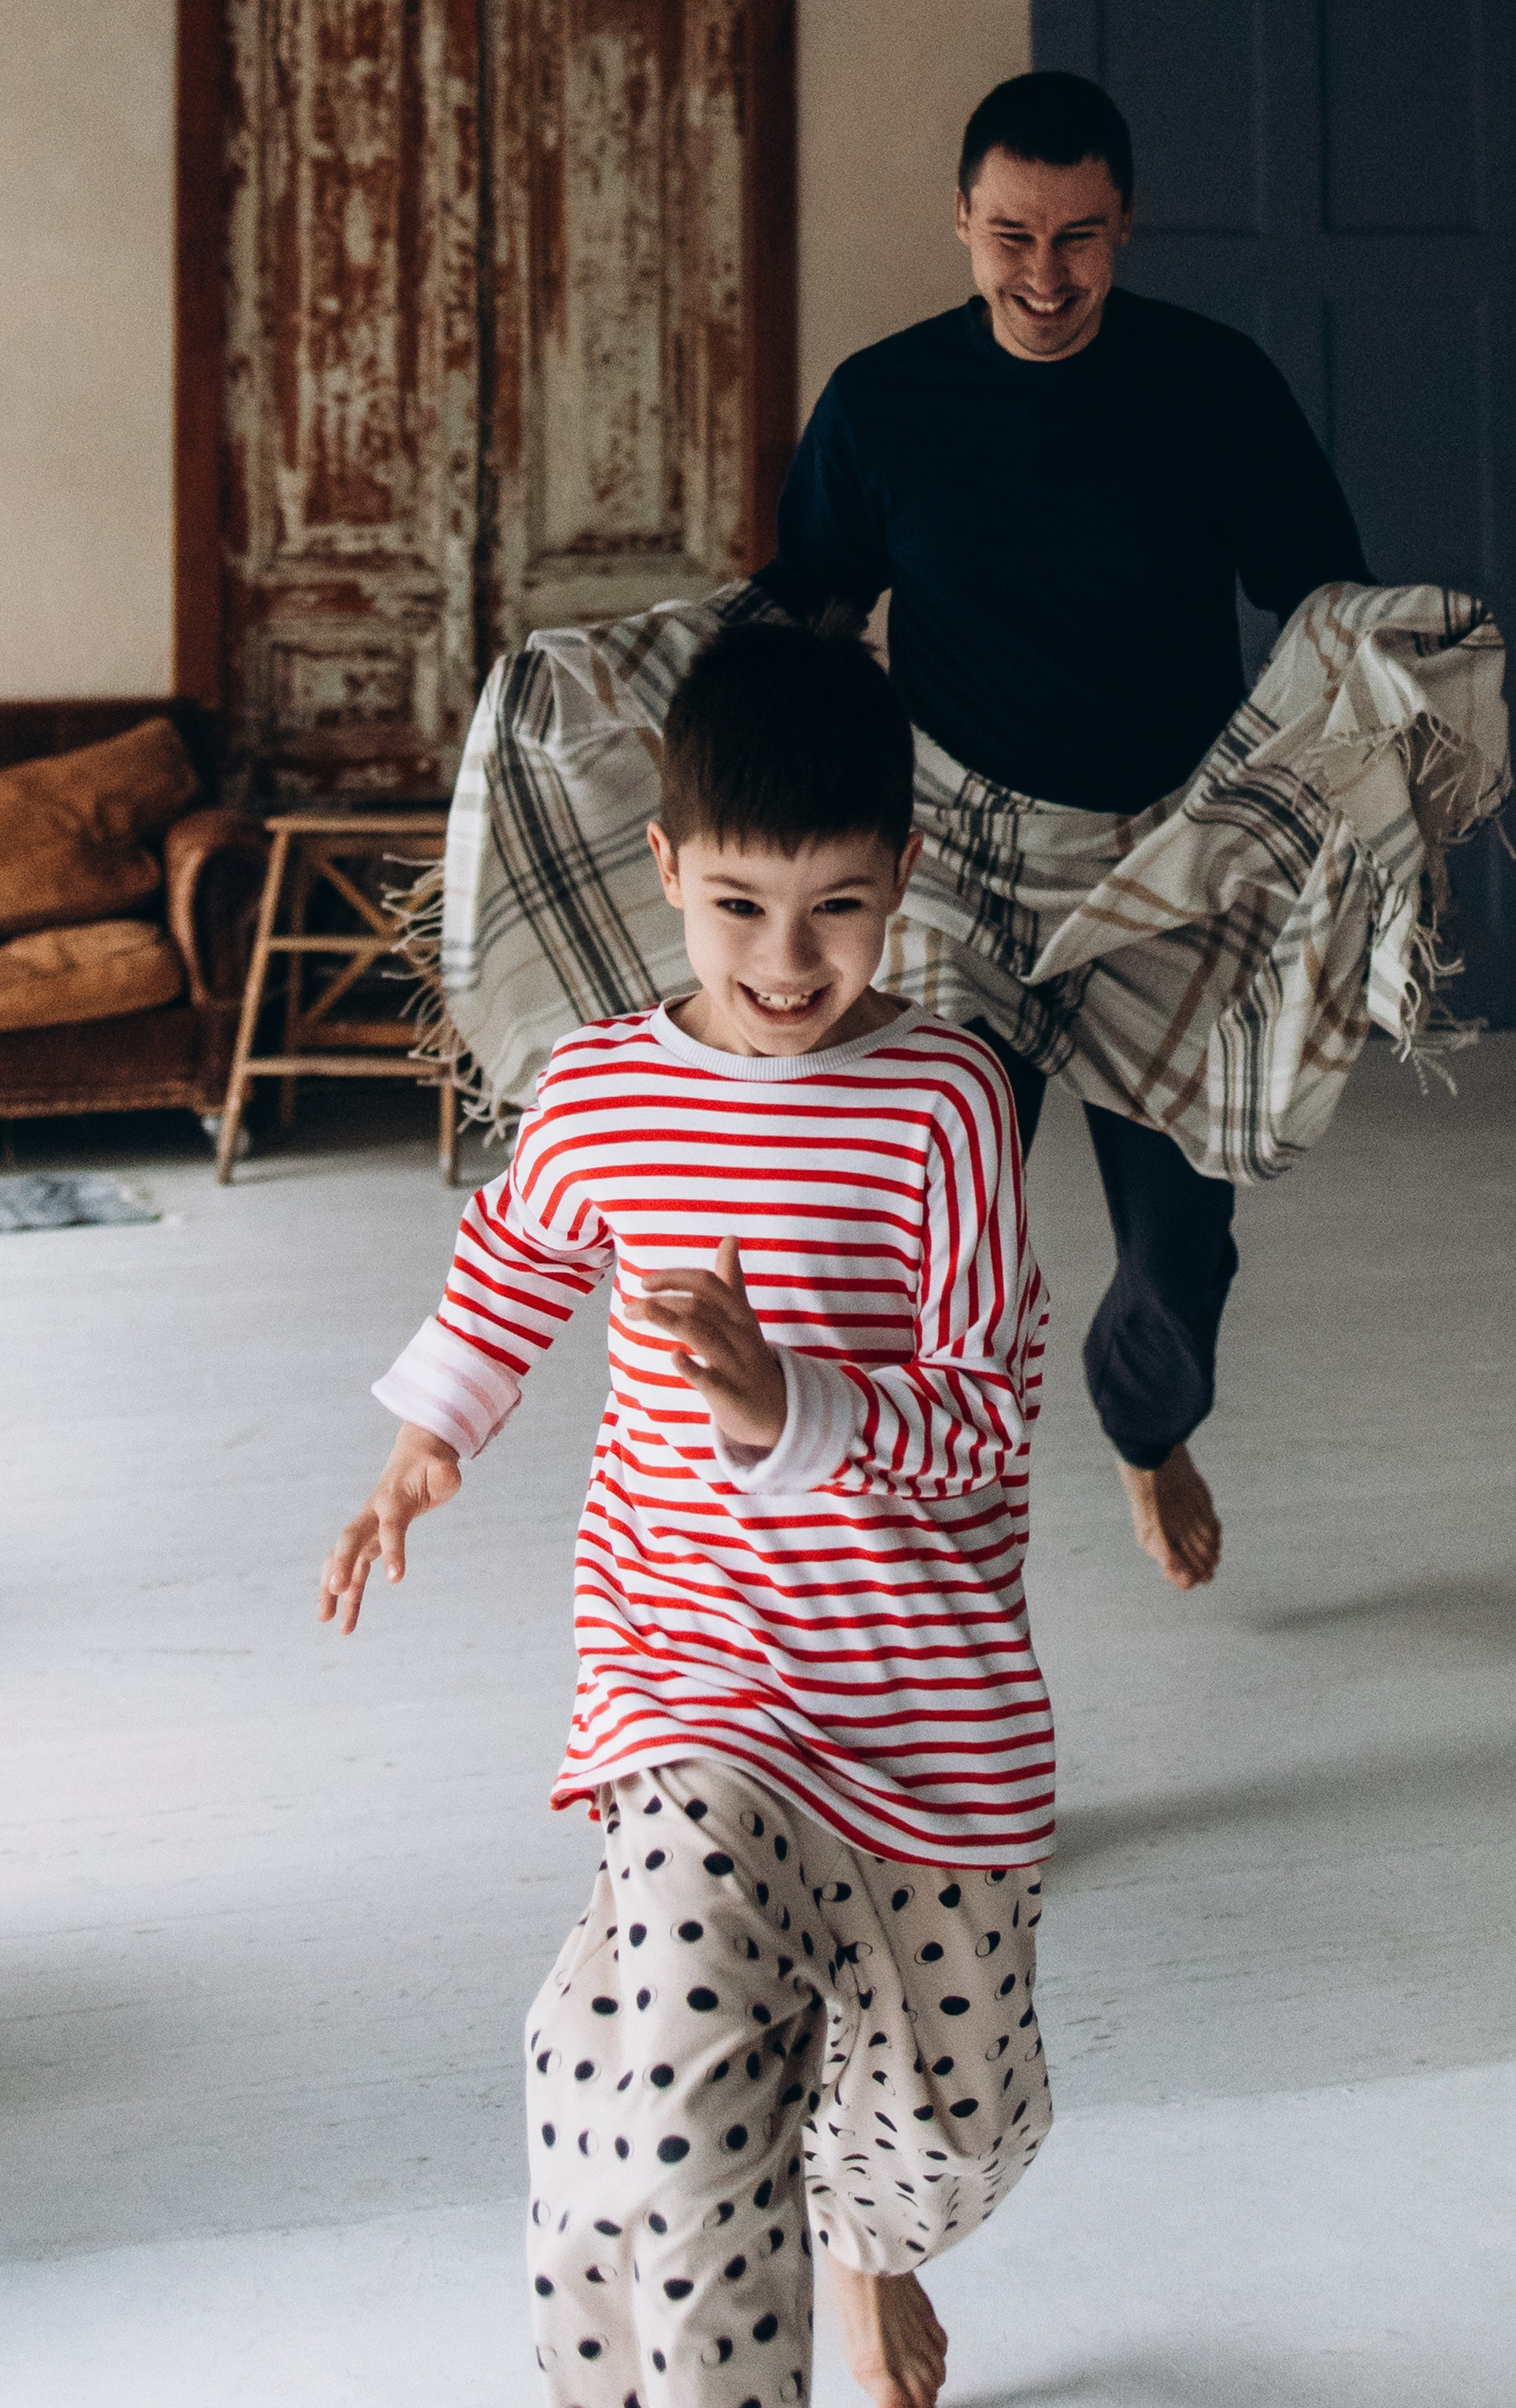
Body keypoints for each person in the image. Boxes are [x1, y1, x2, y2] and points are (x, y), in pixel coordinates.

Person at [319, 620, 1054, 2408]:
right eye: (735, 908)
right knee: (658, 2075)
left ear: (903, 877)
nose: (784, 962)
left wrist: (780, 1400)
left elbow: (979, 1422)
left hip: (923, 1707)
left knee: (956, 2129)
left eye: (834, 909)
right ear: (663, 871)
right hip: (692, 1673)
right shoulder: (601, 1088)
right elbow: (519, 1249)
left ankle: (862, 2247)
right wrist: (430, 1430)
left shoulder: (948, 1105)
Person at [755, 69, 1373, 1595]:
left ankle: (1144, 1435)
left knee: (1179, 1271)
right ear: (960, 220)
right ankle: (897, 1560)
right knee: (924, 1236)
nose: (1044, 277)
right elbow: (811, 612)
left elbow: (1324, 608)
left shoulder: (1213, 387)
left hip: (1166, 863)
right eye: (1012, 235)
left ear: (1125, 227)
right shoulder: (883, 402)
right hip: (954, 865)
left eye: (1080, 239)